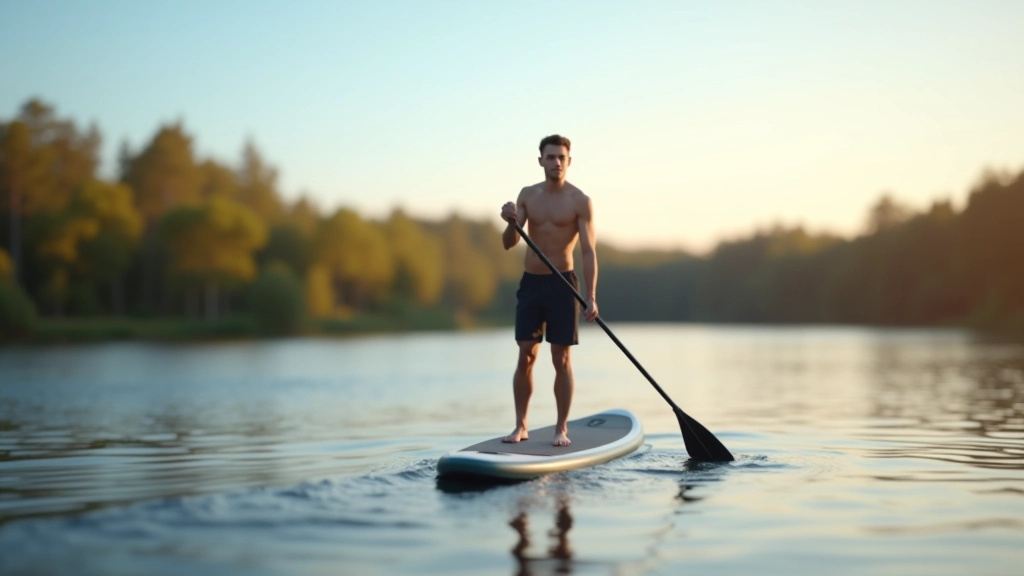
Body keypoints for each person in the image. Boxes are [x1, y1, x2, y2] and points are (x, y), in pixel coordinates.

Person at [499, 134, 599, 446]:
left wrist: (592, 296)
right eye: (551, 156)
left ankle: (561, 429)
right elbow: (508, 244)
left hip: (563, 284)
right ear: (540, 160)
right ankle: (521, 426)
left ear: (569, 161)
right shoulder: (528, 195)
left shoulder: (580, 201)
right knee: (525, 356)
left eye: (561, 157)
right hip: (531, 283)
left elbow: (588, 251)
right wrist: (511, 222)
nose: (556, 162)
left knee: (561, 359)